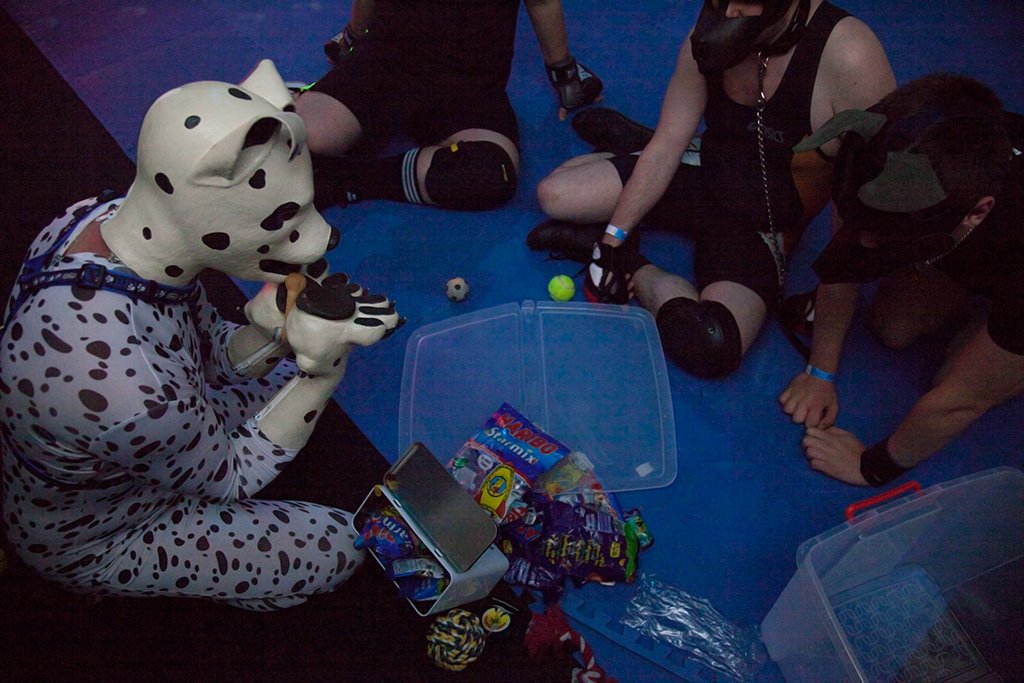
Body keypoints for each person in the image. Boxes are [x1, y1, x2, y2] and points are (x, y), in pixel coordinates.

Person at [0, 61, 402, 609]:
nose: (319, 237)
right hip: (99, 531)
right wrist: (322, 371)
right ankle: (104, 575)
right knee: (338, 545)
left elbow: (208, 359)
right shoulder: (131, 392)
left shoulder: (98, 220)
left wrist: (273, 332)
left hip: (141, 433)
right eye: (287, 223)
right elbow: (234, 474)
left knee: (280, 383)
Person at [527, 0, 894, 378]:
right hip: (706, 171)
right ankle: (642, 153)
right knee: (555, 195)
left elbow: (856, 230)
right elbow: (667, 147)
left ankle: (636, 266)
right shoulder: (713, 28)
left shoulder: (850, 59)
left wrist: (821, 371)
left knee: (711, 344)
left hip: (763, 227)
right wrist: (611, 241)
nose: (729, 12)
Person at [778, 74, 1023, 487]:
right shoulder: (878, 151)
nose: (865, 241)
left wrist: (872, 467)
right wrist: (820, 372)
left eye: (885, 233)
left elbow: (956, 406)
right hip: (983, 240)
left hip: (1009, 253)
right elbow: (845, 261)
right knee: (893, 327)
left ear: (976, 213)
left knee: (956, 383)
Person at [296, 0, 603, 211]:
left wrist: (565, 74)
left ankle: (349, 177)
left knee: (491, 174)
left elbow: (542, 3)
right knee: (297, 136)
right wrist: (351, 40)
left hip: (469, 87)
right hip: (384, 66)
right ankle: (349, 169)